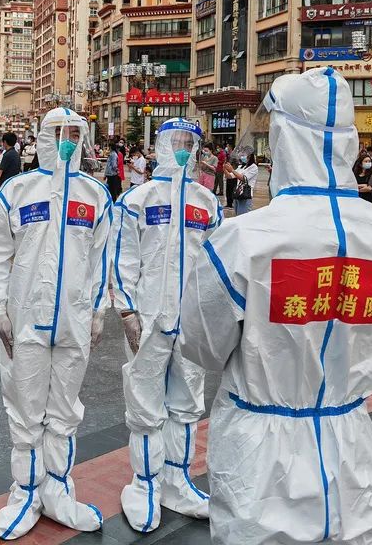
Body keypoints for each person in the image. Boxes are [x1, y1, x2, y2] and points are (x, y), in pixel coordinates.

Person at [180, 68, 372, 545]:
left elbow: (201, 345)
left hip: (260, 456)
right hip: (350, 446)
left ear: (283, 137)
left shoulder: (244, 239)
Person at [0, 107, 111, 540]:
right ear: (42, 136)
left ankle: (58, 490)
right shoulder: (18, 191)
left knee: (65, 410)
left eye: (74, 133)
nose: (66, 141)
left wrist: (98, 310)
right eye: (58, 133)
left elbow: (102, 259)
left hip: (74, 321)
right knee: (25, 408)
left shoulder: (95, 195)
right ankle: (26, 492)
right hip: (25, 320)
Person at [112, 119, 221, 533]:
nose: (181, 148)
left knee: (188, 402)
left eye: (188, 142)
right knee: (145, 403)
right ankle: (144, 483)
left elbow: (215, 261)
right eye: (174, 141)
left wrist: (211, 312)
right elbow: (122, 257)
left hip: (191, 320)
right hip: (148, 318)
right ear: (159, 144)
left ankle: (177, 480)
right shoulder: (137, 199)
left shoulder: (206, 203)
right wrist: (127, 311)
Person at [225, 152, 258, 216]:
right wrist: (225, 168)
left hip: (246, 194)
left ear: (249, 156)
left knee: (244, 216)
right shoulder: (241, 166)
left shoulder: (254, 167)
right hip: (238, 194)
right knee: (238, 216)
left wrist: (232, 170)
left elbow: (244, 178)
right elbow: (229, 176)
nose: (242, 157)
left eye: (243, 155)